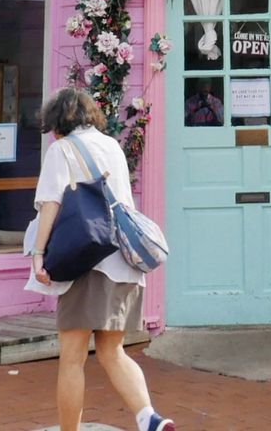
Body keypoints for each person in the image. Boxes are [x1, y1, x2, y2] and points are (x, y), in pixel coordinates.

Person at [27, 89, 175, 431]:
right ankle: (148, 418)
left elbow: (51, 203)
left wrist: (38, 255)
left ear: (58, 123)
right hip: (125, 260)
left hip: (87, 264)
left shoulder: (60, 150)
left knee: (73, 359)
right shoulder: (111, 146)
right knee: (113, 352)